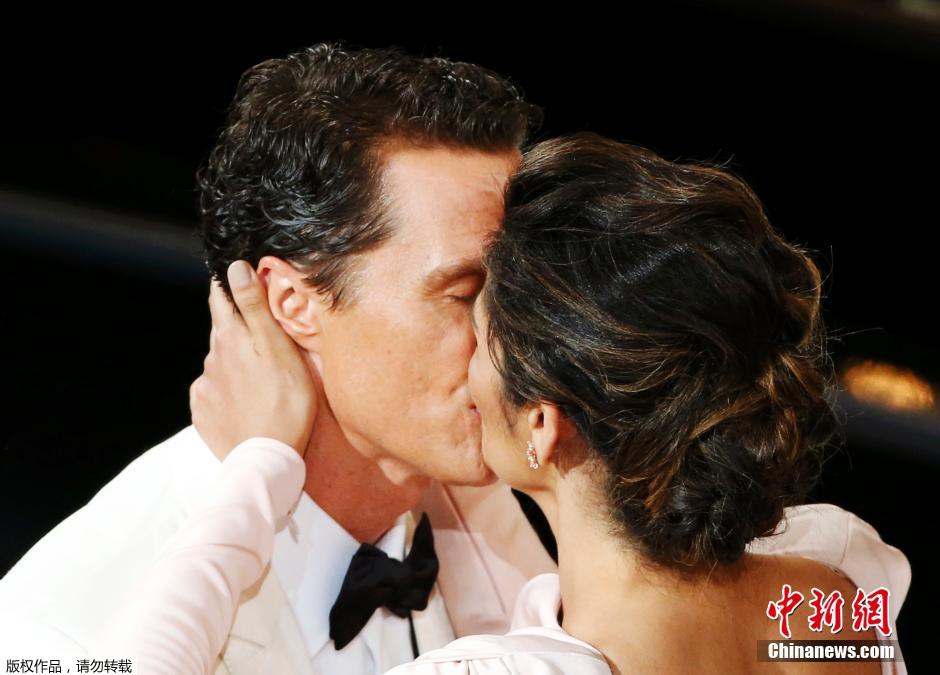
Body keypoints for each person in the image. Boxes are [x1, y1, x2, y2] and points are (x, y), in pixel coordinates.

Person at [100, 133, 910, 673]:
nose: (461, 357)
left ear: (542, 425)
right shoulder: (829, 601)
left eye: (477, 323)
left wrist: (257, 466)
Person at [0, 43, 558, 673]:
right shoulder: (59, 638)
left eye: (523, 292)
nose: (525, 337)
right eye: (465, 294)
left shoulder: (491, 549)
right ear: (292, 303)